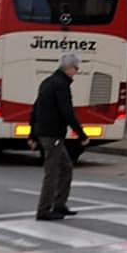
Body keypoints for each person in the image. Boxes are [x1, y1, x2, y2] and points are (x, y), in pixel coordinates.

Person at [28, 52, 87, 221]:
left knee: (66, 167)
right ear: (69, 68)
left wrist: (32, 134)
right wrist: (81, 134)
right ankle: (44, 210)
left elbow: (36, 108)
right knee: (52, 172)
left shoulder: (47, 82)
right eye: (76, 68)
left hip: (46, 133)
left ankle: (59, 204)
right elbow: (67, 111)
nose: (76, 71)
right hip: (52, 134)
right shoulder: (61, 85)